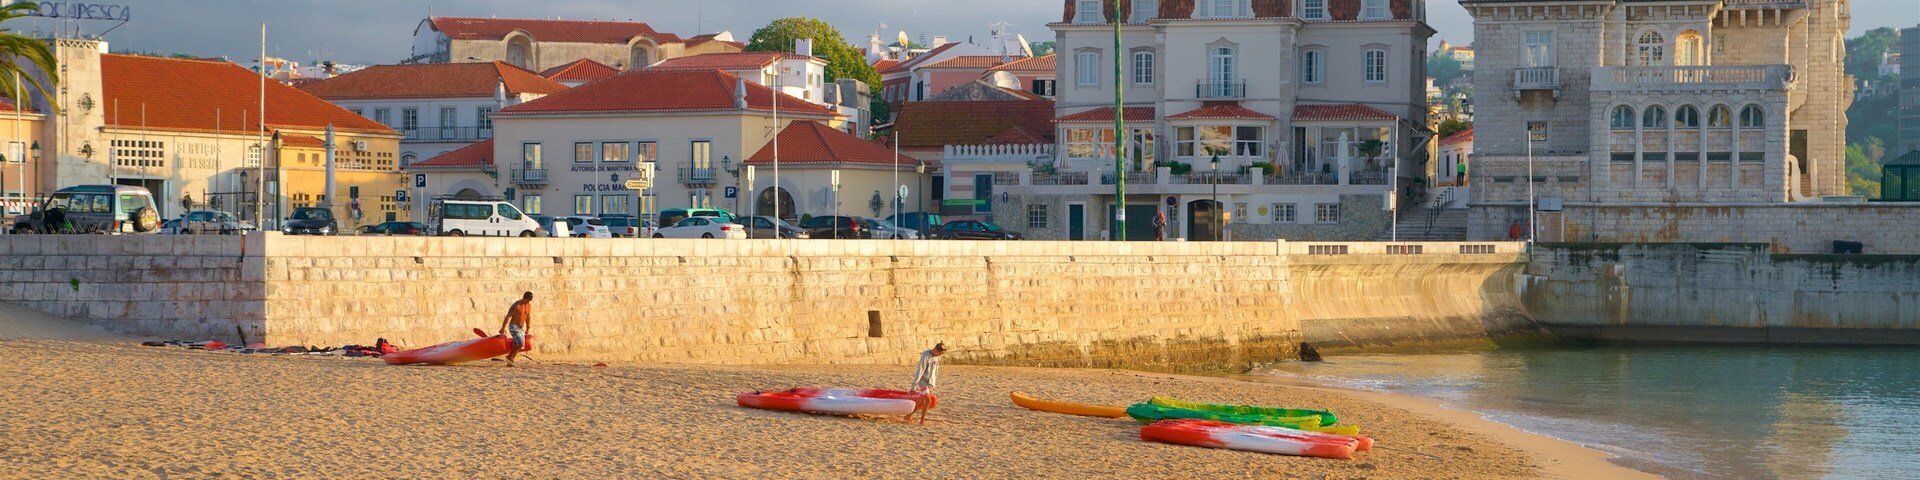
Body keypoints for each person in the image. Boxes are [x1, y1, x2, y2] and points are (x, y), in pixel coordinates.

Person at [908, 343, 945, 424]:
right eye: (939, 353)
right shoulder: (925, 356)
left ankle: (908, 415)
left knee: (922, 401)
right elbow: (919, 371)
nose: (939, 356)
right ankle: (922, 421)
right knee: (928, 400)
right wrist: (914, 386)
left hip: (930, 383)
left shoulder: (936, 357)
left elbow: (935, 370)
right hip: (923, 382)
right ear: (935, 349)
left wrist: (933, 384)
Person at [497, 292, 533, 366]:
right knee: (520, 342)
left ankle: (511, 360)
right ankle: (509, 356)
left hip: (520, 328)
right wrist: (503, 328)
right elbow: (508, 317)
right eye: (527, 300)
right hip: (513, 326)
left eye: (529, 301)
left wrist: (528, 327)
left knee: (520, 344)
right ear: (524, 297)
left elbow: (528, 317)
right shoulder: (517, 305)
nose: (528, 302)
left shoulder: (528, 306)